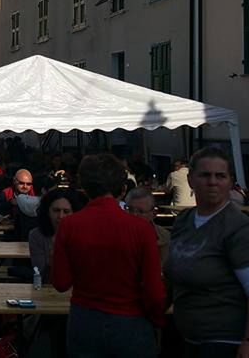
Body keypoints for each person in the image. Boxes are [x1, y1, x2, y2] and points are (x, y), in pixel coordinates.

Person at [165, 147, 249, 357]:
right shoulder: (184, 220)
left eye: (220, 176)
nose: (213, 182)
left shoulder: (240, 228)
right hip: (194, 340)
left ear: (229, 182)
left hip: (231, 343)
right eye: (205, 175)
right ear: (190, 180)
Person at [51, 153, 165, 358]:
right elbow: (154, 291)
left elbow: (61, 283)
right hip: (131, 322)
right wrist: (157, 320)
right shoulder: (141, 228)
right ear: (122, 190)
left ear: (83, 188)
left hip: (84, 320)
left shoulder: (69, 225)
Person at [28, 188, 86, 358]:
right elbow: (39, 268)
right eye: (56, 211)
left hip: (78, 296)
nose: (60, 216)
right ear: (47, 212)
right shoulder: (37, 236)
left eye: (66, 211)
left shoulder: (83, 234)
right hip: (49, 295)